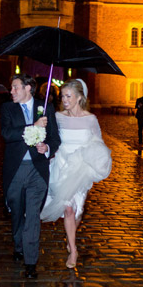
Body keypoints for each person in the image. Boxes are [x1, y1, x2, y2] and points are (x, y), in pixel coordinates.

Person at [40, 78, 112, 269]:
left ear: (79, 98)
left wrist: (90, 156)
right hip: (62, 165)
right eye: (63, 96)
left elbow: (98, 142)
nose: (64, 99)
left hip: (81, 168)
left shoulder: (90, 119)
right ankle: (73, 250)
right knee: (68, 209)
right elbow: (50, 139)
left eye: (68, 96)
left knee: (77, 211)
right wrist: (40, 126)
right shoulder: (57, 117)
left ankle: (71, 233)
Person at [0, 73, 60, 279]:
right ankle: (18, 244)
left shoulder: (46, 109)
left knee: (33, 215)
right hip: (15, 170)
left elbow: (55, 138)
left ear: (28, 88)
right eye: (12, 87)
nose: (12, 91)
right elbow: (7, 134)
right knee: (17, 211)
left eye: (15, 87)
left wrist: (47, 147)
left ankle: (31, 262)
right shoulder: (7, 108)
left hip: (37, 170)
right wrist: (32, 126)